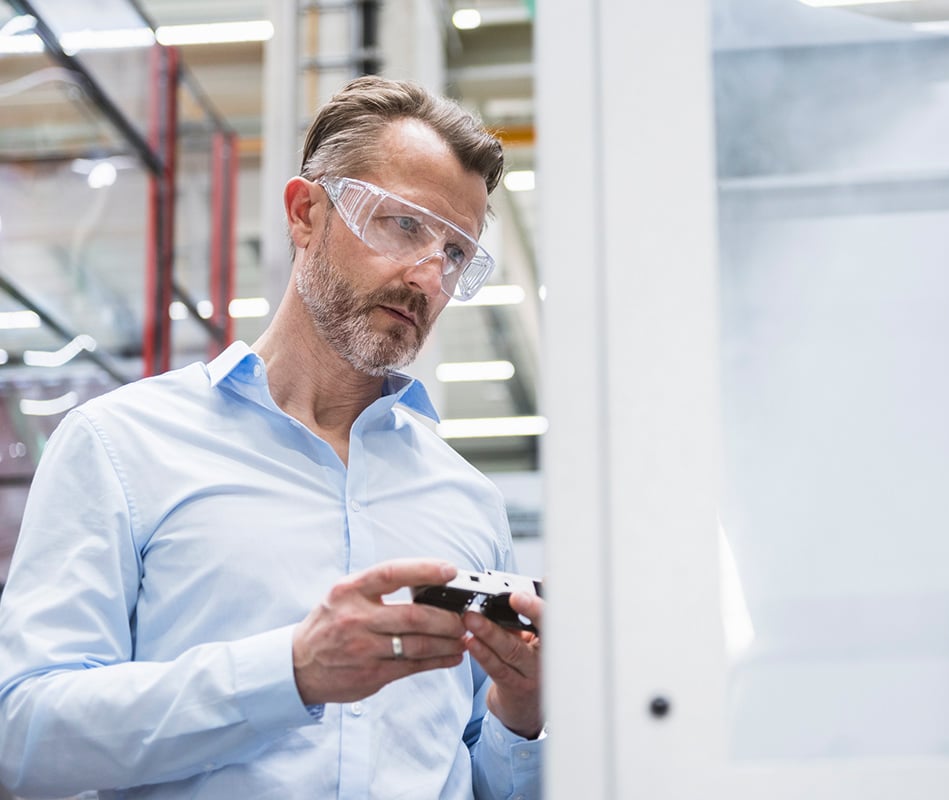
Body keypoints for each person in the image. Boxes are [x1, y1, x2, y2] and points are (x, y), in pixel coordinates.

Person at [0, 76, 544, 799]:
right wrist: (290, 672)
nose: (426, 278)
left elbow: (479, 776)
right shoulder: (122, 446)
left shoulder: (467, 501)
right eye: (403, 224)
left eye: (454, 253)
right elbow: (24, 736)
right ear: (304, 213)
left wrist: (523, 717)